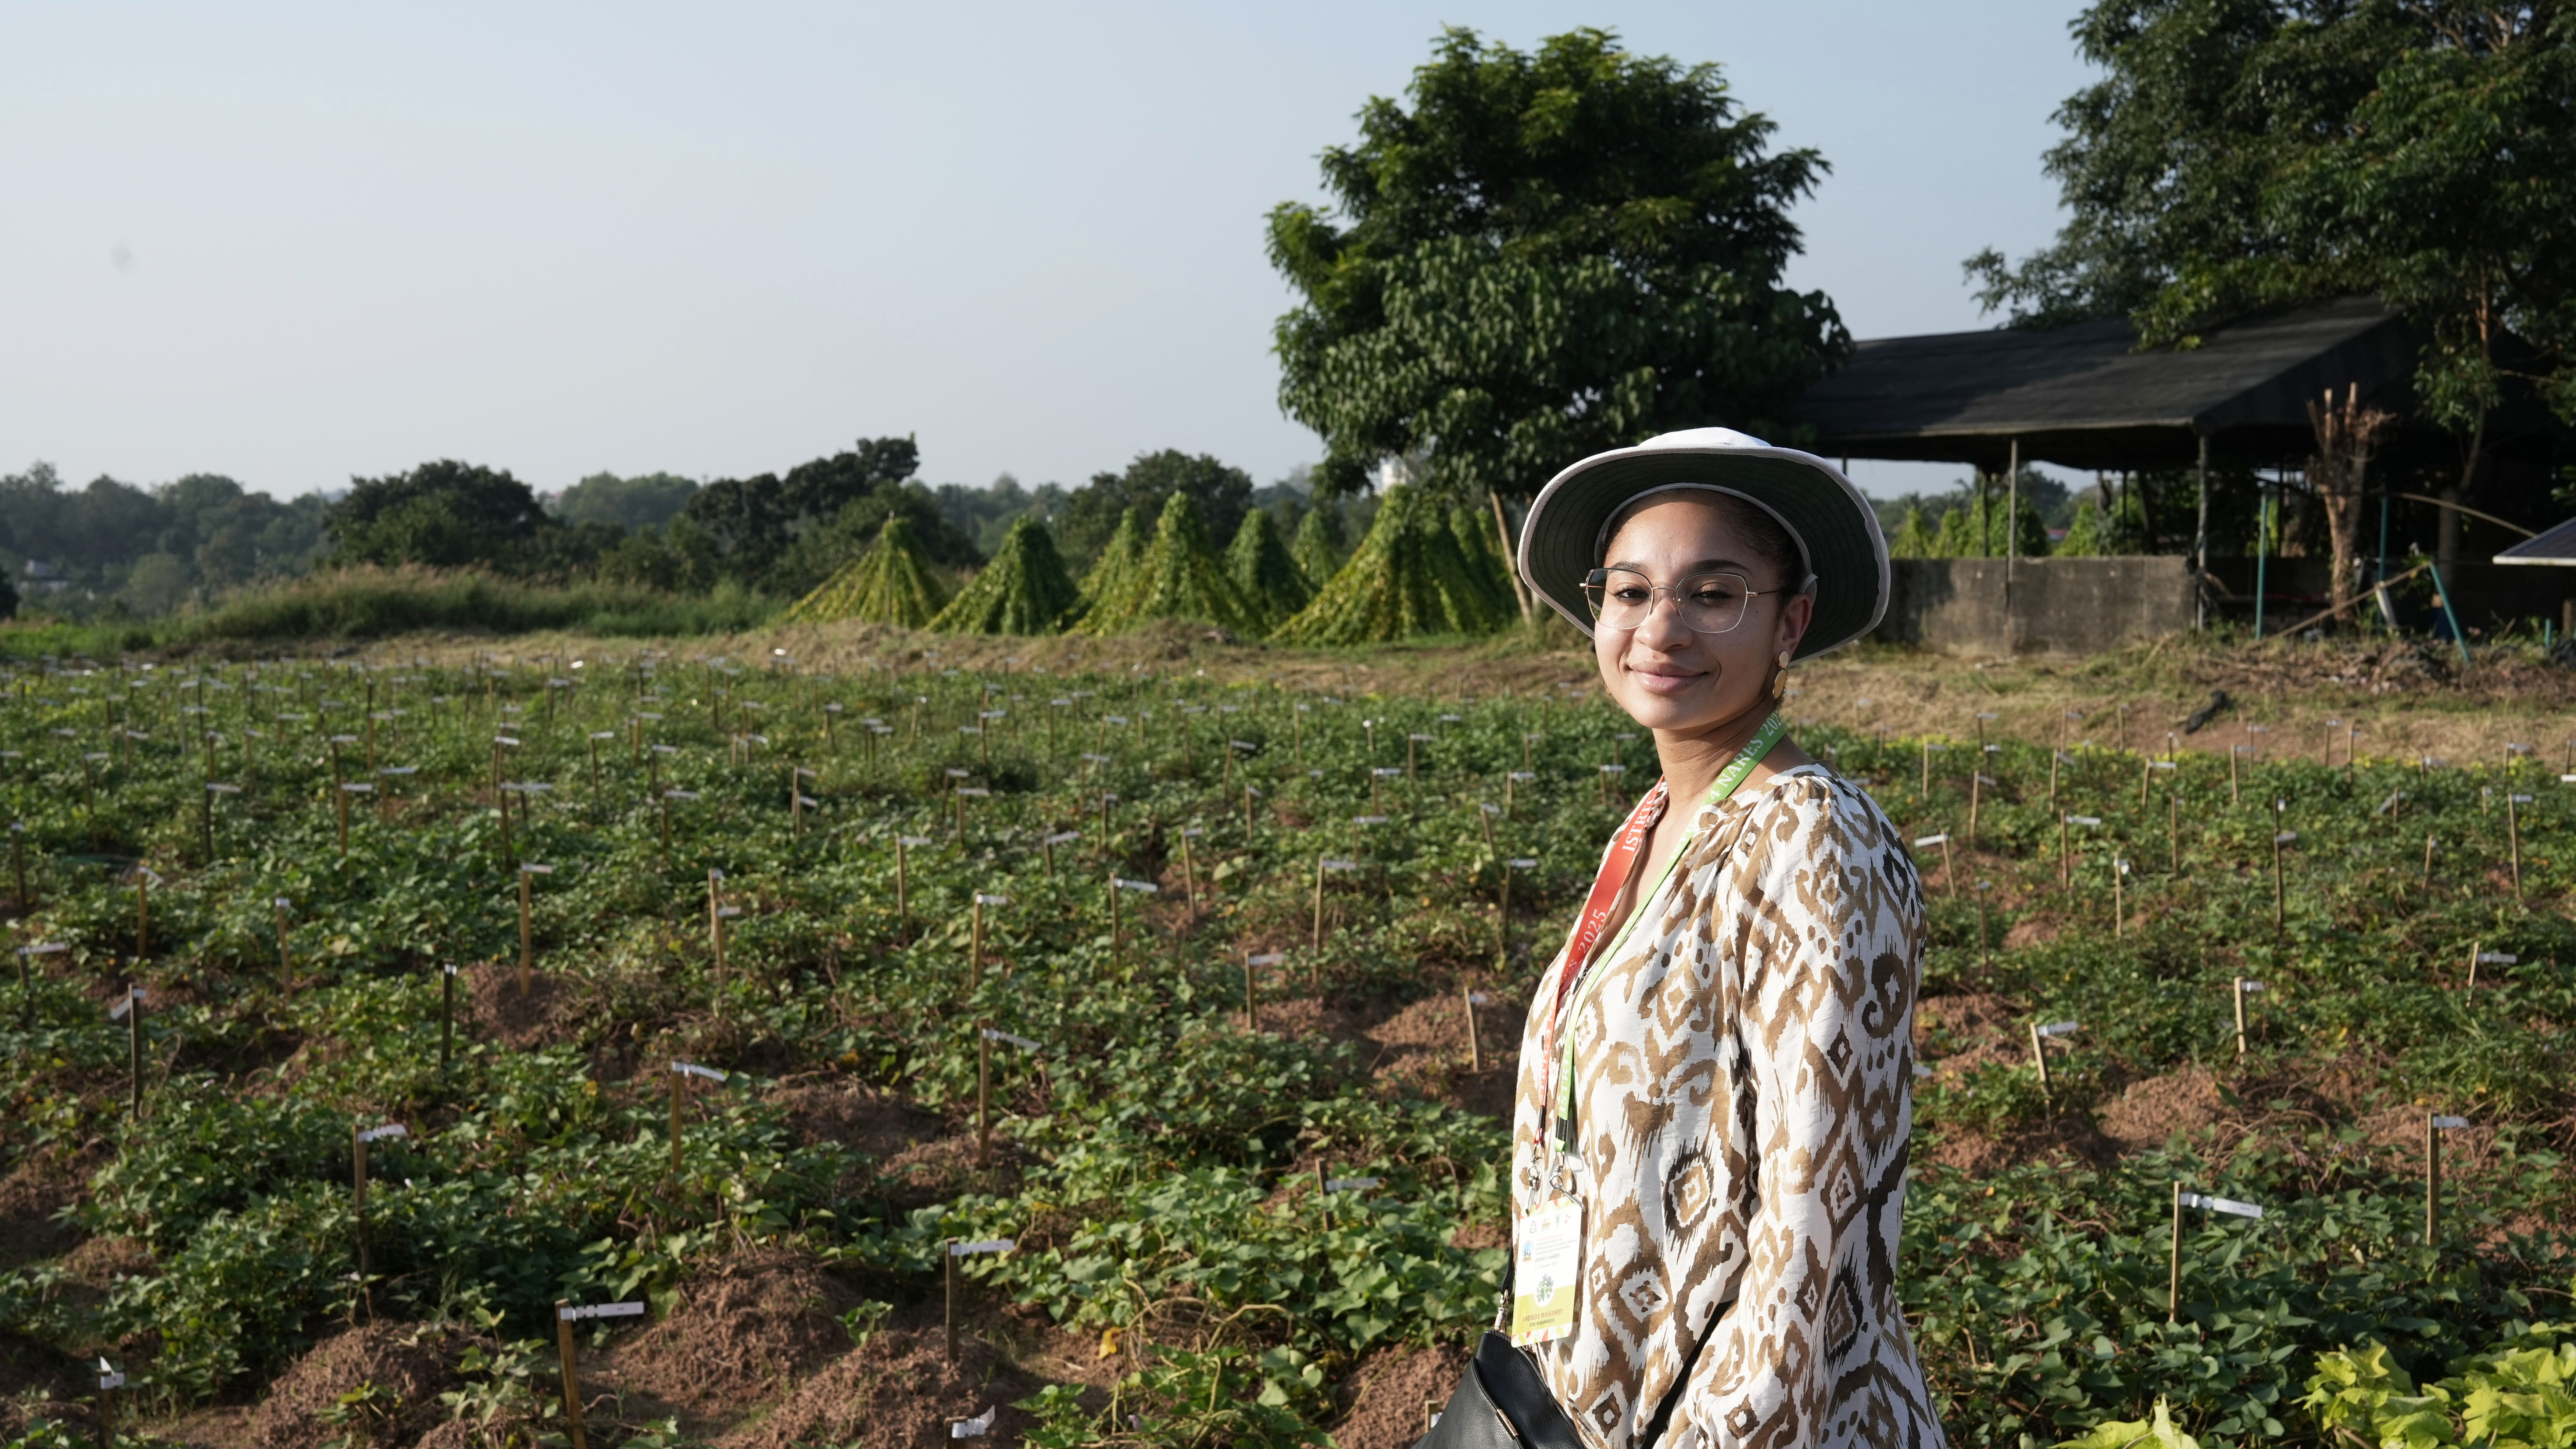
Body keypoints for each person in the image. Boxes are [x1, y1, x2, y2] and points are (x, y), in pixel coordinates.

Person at [1503, 428, 1943, 1449]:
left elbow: (1810, 1228)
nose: (1661, 628)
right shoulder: (1655, 823)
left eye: (1713, 594)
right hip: (1606, 1402)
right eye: (1629, 591)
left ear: (1790, 622)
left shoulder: (1811, 833)